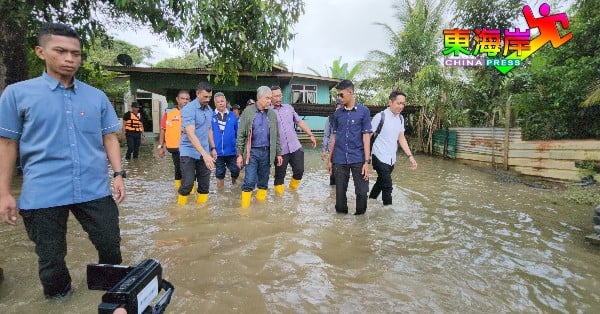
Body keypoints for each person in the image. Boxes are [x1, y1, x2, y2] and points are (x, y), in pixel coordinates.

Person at [0, 23, 125, 299]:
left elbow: (110, 138)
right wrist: (4, 192)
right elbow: (7, 143)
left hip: (94, 188)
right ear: (41, 52)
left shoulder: (96, 96)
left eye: (76, 53)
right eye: (61, 51)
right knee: (51, 258)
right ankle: (60, 301)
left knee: (110, 244)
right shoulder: (17, 94)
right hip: (43, 191)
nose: (70, 59)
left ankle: (109, 297)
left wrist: (118, 174)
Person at [326, 80, 372, 215]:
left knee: (362, 193)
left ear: (350, 92)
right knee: (340, 194)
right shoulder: (337, 114)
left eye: (341, 95)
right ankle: (340, 224)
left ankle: (360, 222)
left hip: (358, 158)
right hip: (339, 159)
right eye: (338, 95)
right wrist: (330, 160)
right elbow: (334, 137)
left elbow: (366, 137)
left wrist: (367, 162)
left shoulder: (364, 111)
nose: (339, 98)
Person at [236, 86, 282, 208]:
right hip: (252, 152)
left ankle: (260, 209)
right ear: (259, 98)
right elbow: (241, 135)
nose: (269, 101)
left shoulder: (272, 114)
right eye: (267, 98)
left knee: (263, 182)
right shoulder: (248, 112)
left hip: (267, 153)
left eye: (270, 98)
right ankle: (244, 210)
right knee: (250, 181)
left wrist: (278, 153)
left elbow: (276, 135)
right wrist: (239, 155)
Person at [369, 91, 418, 205]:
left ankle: (370, 200)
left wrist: (410, 156)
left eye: (403, 104)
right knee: (387, 186)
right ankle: (388, 214)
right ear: (390, 102)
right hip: (378, 156)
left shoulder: (400, 118)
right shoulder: (380, 117)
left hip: (391, 158)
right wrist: (365, 159)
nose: (401, 106)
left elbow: (401, 138)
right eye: (398, 103)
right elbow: (367, 137)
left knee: (381, 182)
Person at [270, 86, 317, 193]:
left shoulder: (289, 108)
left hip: (295, 147)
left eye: (280, 95)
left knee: (299, 170)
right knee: (279, 176)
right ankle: (279, 200)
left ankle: (292, 191)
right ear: (270, 97)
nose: (279, 98)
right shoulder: (267, 112)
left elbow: (299, 122)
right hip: (280, 151)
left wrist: (310, 135)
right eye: (276, 96)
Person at [177, 82, 217, 205]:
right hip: (188, 151)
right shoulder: (188, 109)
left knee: (205, 185)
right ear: (197, 93)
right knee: (188, 183)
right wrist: (205, 155)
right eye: (205, 97)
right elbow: (190, 134)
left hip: (204, 151)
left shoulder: (209, 110)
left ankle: (201, 212)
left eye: (209, 97)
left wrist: (213, 148)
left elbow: (209, 129)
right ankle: (180, 210)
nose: (208, 100)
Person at [157, 90, 190, 189]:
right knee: (178, 169)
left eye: (187, 99)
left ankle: (190, 192)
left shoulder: (192, 113)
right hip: (175, 147)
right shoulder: (169, 113)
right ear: (177, 99)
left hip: (189, 147)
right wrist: (160, 147)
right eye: (182, 98)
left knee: (189, 170)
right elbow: (163, 130)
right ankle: (179, 191)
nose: (185, 101)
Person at [211, 92, 240, 188]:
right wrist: (212, 149)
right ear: (215, 104)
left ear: (226, 102)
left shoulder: (232, 116)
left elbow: (237, 133)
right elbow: (209, 134)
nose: (221, 103)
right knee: (220, 173)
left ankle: (234, 186)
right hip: (217, 152)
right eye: (218, 102)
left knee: (235, 170)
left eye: (222, 101)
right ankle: (220, 192)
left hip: (231, 151)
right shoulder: (211, 116)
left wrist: (238, 150)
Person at [321, 100, 343, 186]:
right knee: (333, 172)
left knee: (342, 173)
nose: (339, 108)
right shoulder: (330, 118)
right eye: (338, 106)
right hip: (332, 149)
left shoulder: (347, 118)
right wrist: (324, 150)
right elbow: (326, 135)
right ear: (336, 107)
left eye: (341, 106)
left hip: (344, 149)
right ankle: (332, 193)